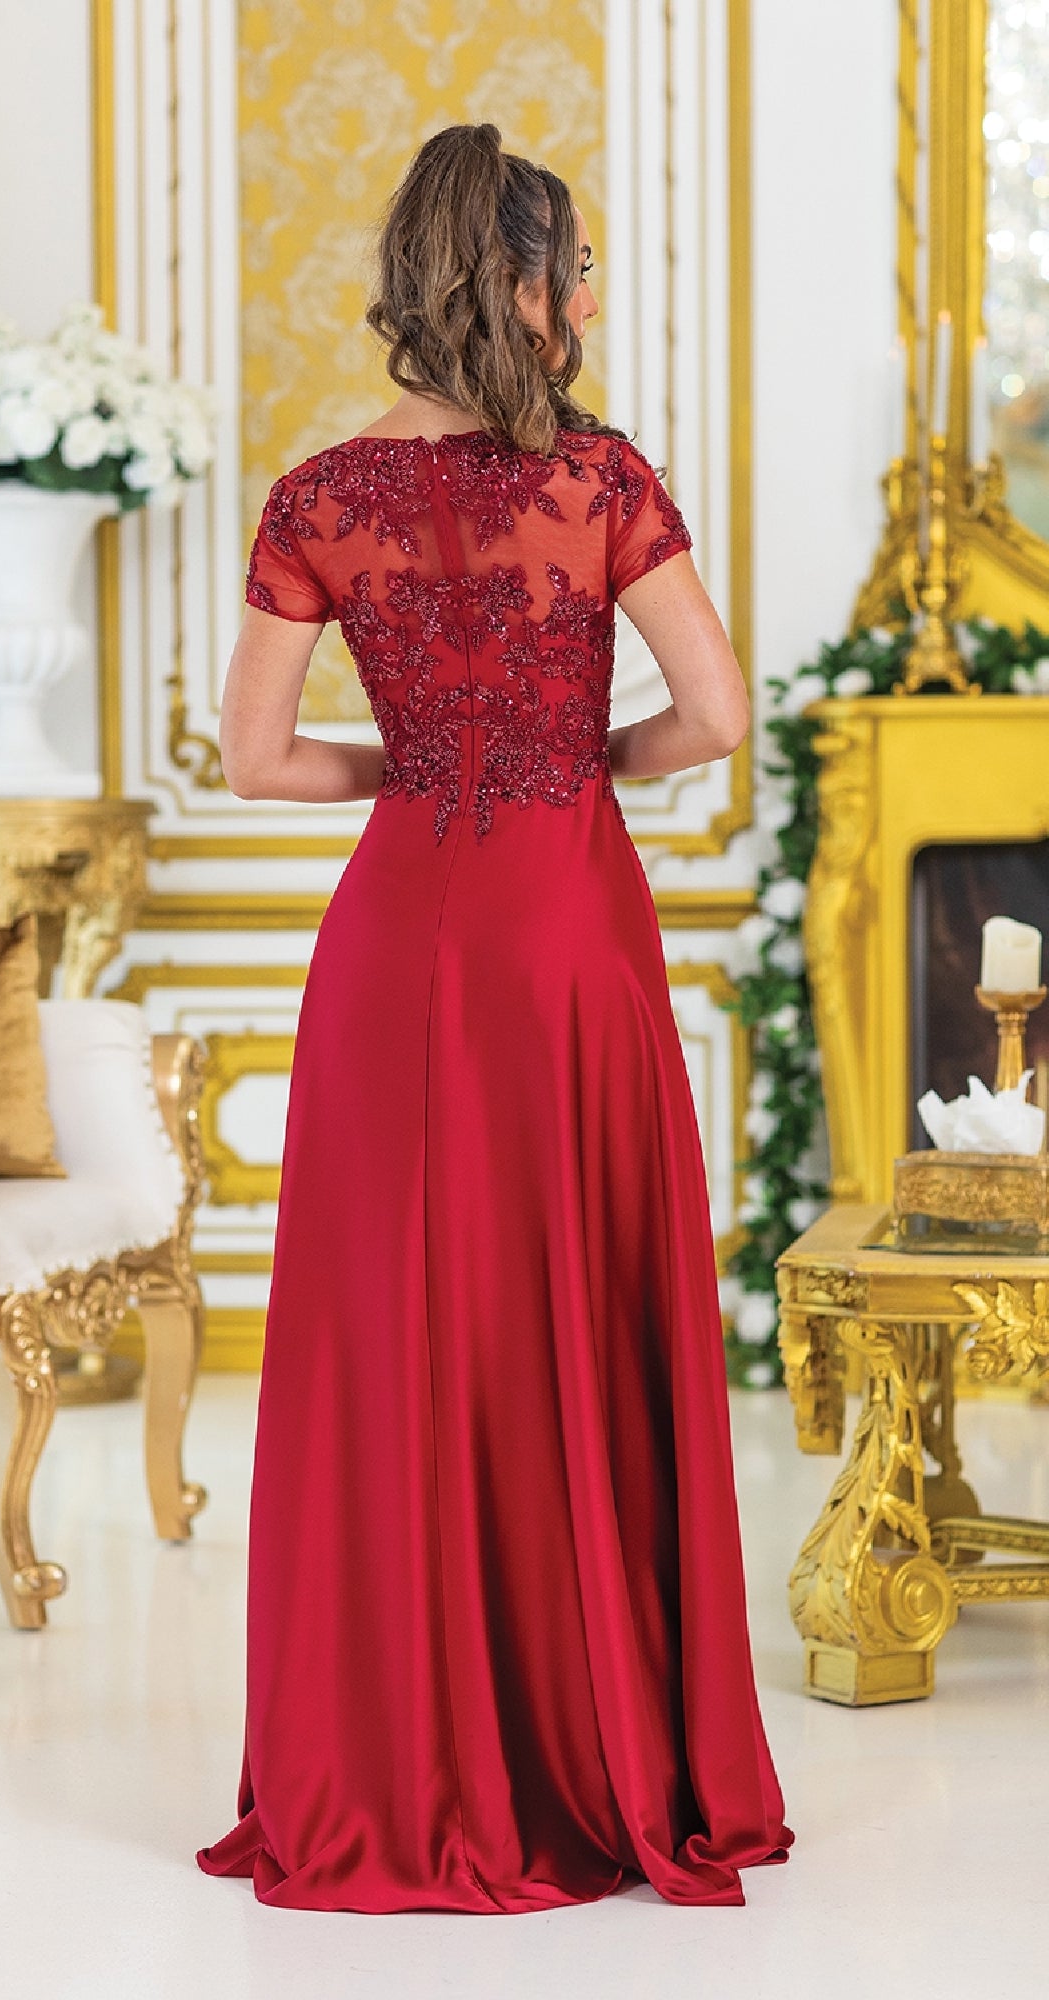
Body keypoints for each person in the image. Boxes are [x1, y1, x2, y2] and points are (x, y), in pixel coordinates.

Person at [196, 121, 792, 1913]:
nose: (589, 299)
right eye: (579, 270)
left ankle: (385, 1766)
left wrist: (412, 765)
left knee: (398, 1336)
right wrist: (568, 758)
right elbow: (715, 712)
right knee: (579, 1315)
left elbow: (251, 759)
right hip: (564, 925)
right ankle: (602, 1748)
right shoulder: (601, 479)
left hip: (396, 941)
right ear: (525, 285)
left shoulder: (316, 496)